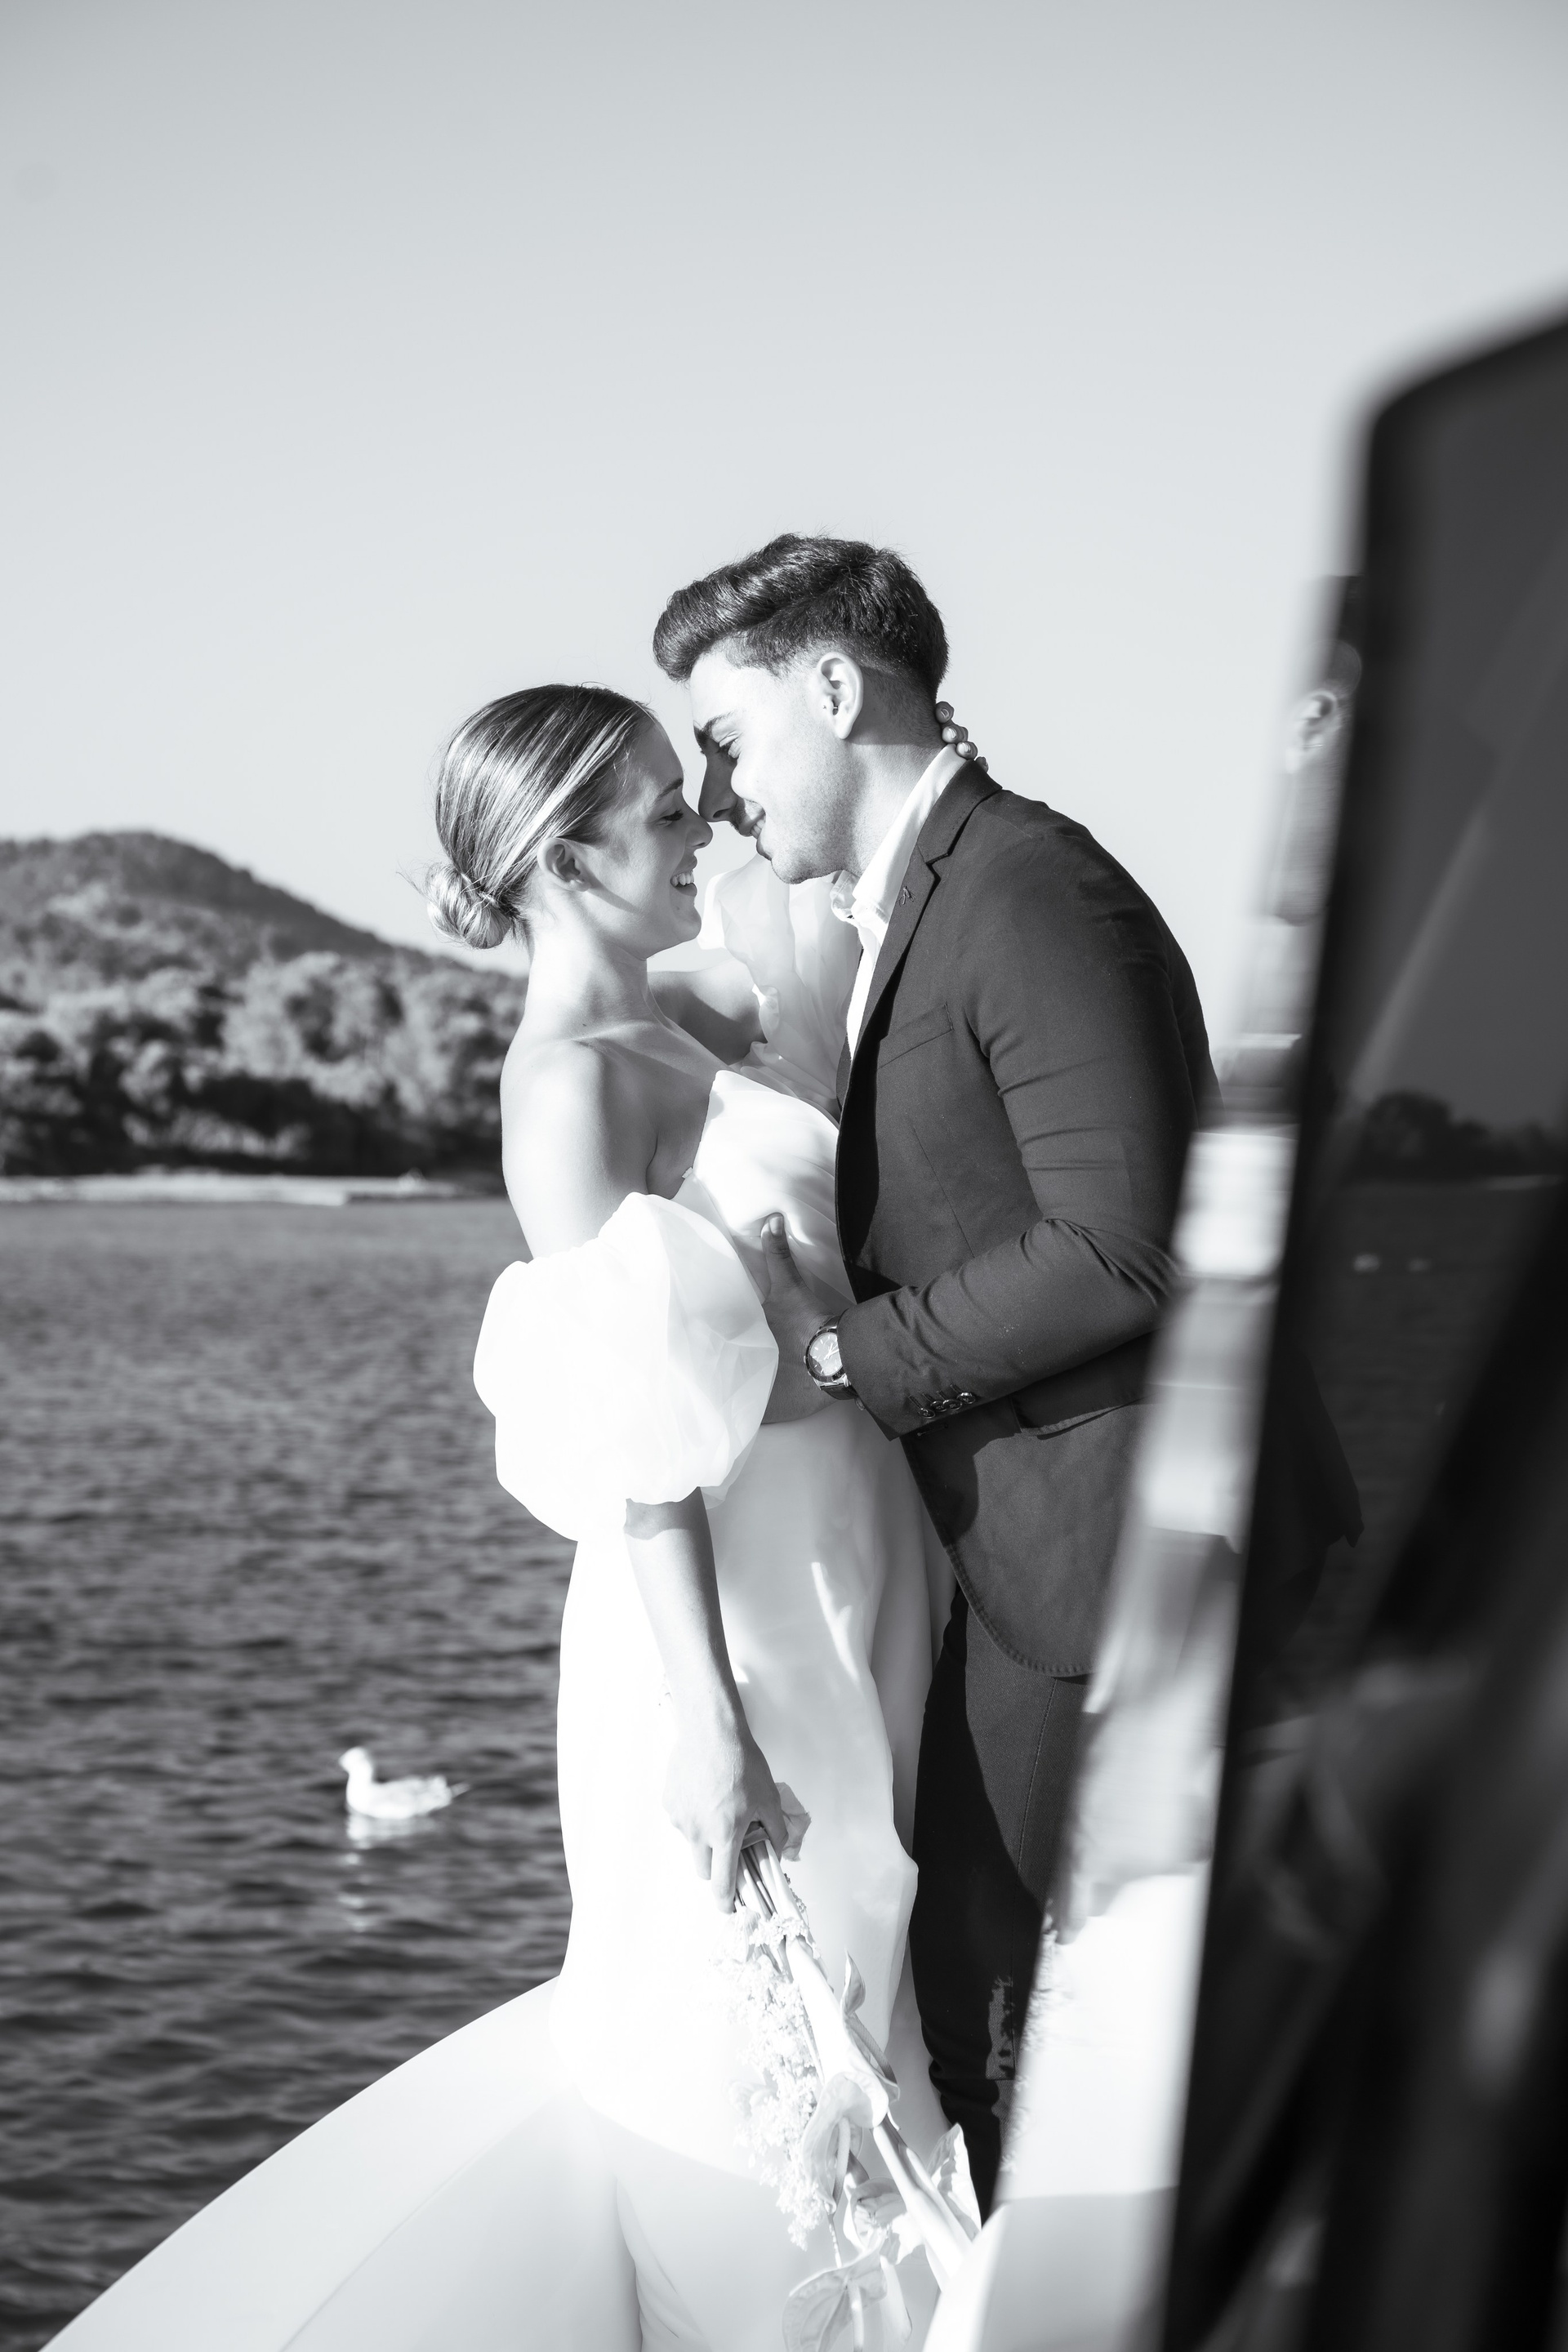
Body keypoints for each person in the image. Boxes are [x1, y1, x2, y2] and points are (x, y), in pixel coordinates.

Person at [653, 534, 1216, 2211]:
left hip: (1093, 1552)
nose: (718, 793)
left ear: (836, 690)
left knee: (1009, 2022)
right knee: (984, 2002)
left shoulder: (1029, 890)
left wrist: (839, 1353)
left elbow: (1127, 1244)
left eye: (728, 738)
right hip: (1009, 1549)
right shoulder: (917, 905)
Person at [429, 684, 945, 2350]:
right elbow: (635, 1440)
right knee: (761, 2023)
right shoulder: (565, 1088)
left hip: (855, 1558)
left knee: (880, 1946)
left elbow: (844, 916)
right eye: (663, 806)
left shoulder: (689, 1016)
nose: (703, 820)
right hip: (733, 1617)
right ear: (566, 859)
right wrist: (711, 1727)